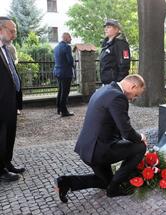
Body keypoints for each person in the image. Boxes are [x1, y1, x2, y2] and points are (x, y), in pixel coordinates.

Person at [54, 74, 147, 202]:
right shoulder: (118, 97)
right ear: (132, 86)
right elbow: (127, 132)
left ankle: (66, 182)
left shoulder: (105, 89)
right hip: (99, 151)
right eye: (136, 95)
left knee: (105, 182)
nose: (133, 99)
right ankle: (114, 187)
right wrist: (140, 137)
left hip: (86, 149)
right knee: (140, 147)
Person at [0, 16, 25, 182]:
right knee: (1, 137)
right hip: (1, 103)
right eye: (11, 31)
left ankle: (7, 163)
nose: (14, 35)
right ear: (0, 29)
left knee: (10, 135)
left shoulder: (6, 49)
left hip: (10, 101)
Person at [99, 19, 131, 85]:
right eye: (105, 27)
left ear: (116, 29)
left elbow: (124, 64)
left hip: (114, 83)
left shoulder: (121, 44)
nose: (106, 29)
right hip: (106, 82)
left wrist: (118, 83)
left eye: (109, 27)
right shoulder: (106, 44)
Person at [53, 32, 74, 117]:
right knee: (65, 92)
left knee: (60, 90)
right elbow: (70, 61)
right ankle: (64, 111)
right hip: (65, 73)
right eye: (70, 38)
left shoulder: (56, 47)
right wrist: (73, 65)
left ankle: (59, 108)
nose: (71, 39)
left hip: (57, 72)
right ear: (66, 38)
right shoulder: (67, 47)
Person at [7, 42, 22, 115]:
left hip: (12, 69)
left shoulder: (11, 47)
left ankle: (17, 108)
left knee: (17, 85)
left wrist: (12, 63)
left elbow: (16, 59)